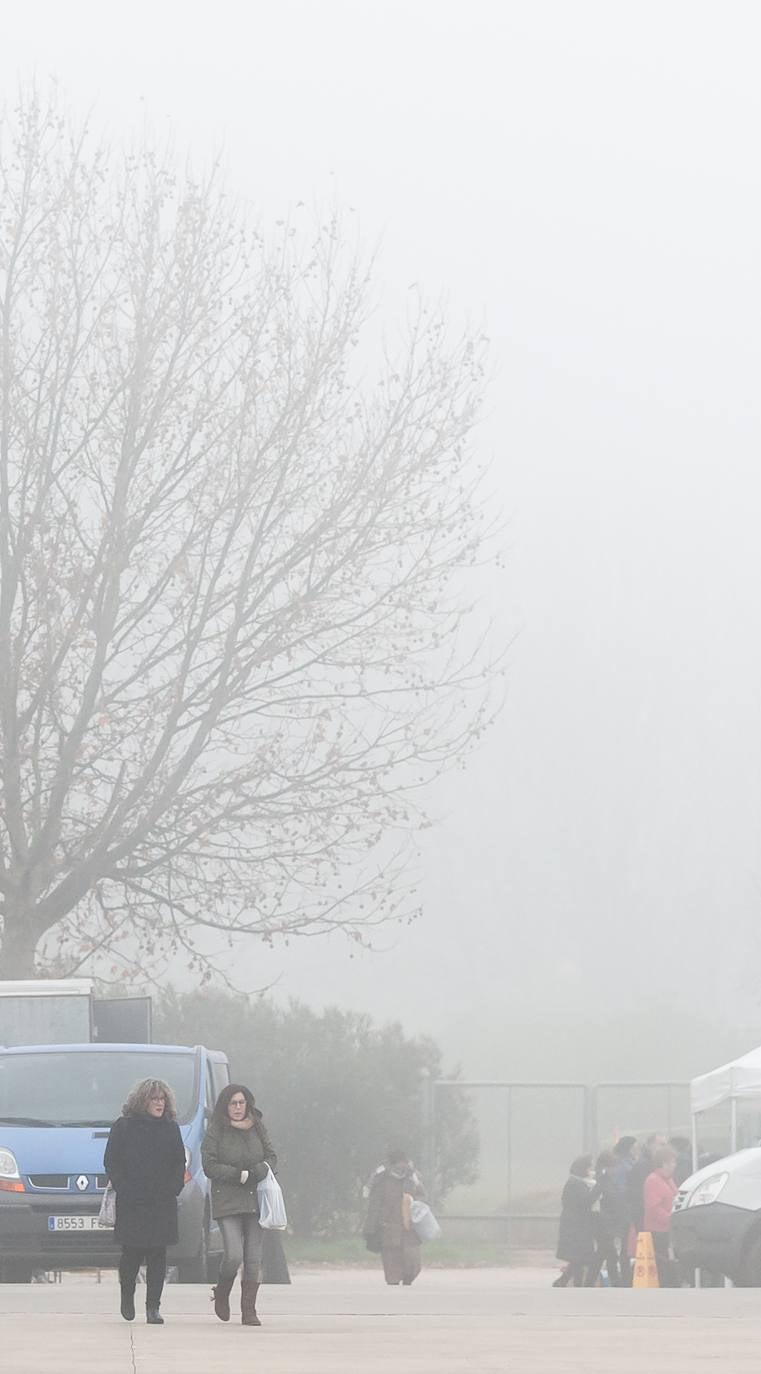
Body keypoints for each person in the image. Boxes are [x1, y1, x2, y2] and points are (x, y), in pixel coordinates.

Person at [103, 1078, 186, 1325]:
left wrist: (174, 1187)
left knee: (158, 1255)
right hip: (132, 1200)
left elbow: (178, 1161)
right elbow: (111, 1161)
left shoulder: (171, 1128)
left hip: (162, 1201)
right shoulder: (123, 1126)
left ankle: (153, 1308)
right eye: (154, 1099)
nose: (159, 1103)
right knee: (131, 1253)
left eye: (162, 1099)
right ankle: (127, 1296)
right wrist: (123, 1187)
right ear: (143, 1100)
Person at [201, 1083, 277, 1327]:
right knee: (233, 1254)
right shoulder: (216, 1130)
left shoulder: (258, 1126)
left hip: (255, 1199)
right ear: (226, 1105)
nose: (237, 1107)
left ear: (248, 1104)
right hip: (228, 1198)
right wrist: (237, 1175)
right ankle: (222, 1292)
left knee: (253, 1257)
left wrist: (260, 1170)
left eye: (241, 1103)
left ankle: (249, 1310)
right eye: (232, 1103)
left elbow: (272, 1156)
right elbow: (209, 1165)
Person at [363, 1147, 426, 1286]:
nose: (402, 1165)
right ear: (393, 1163)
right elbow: (374, 1205)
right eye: (399, 1162)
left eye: (404, 1162)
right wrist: (370, 1228)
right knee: (391, 1266)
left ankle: (407, 1282)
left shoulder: (412, 1178)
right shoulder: (380, 1179)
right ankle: (394, 1290)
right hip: (388, 1228)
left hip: (410, 1228)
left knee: (413, 1263)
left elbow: (422, 1197)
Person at [553, 1154, 599, 1287]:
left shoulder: (577, 1182)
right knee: (578, 1257)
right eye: (589, 1168)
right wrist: (598, 1188)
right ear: (582, 1169)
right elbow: (587, 1201)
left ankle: (563, 1281)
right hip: (575, 1227)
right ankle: (573, 1284)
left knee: (578, 1258)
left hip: (577, 1225)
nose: (591, 1171)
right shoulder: (575, 1184)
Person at [643, 1146, 678, 1285]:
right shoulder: (653, 1180)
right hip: (658, 1231)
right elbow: (654, 1209)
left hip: (668, 1229)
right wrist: (671, 1219)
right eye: (672, 1162)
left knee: (669, 1263)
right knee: (662, 1264)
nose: (675, 1165)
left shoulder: (668, 1179)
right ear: (664, 1163)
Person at [609, 1136, 638, 1285]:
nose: (636, 1149)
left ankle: (626, 1275)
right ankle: (625, 1276)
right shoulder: (621, 1164)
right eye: (634, 1146)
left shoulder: (630, 1162)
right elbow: (621, 1190)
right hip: (625, 1210)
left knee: (627, 1244)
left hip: (628, 1208)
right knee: (625, 1245)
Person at [593, 1149, 623, 1286]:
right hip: (603, 1223)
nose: (615, 1170)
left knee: (605, 1254)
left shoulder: (607, 1179)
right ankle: (614, 1282)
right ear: (605, 1166)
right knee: (607, 1254)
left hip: (608, 1222)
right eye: (612, 1167)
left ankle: (612, 1281)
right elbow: (604, 1198)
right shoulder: (600, 1180)